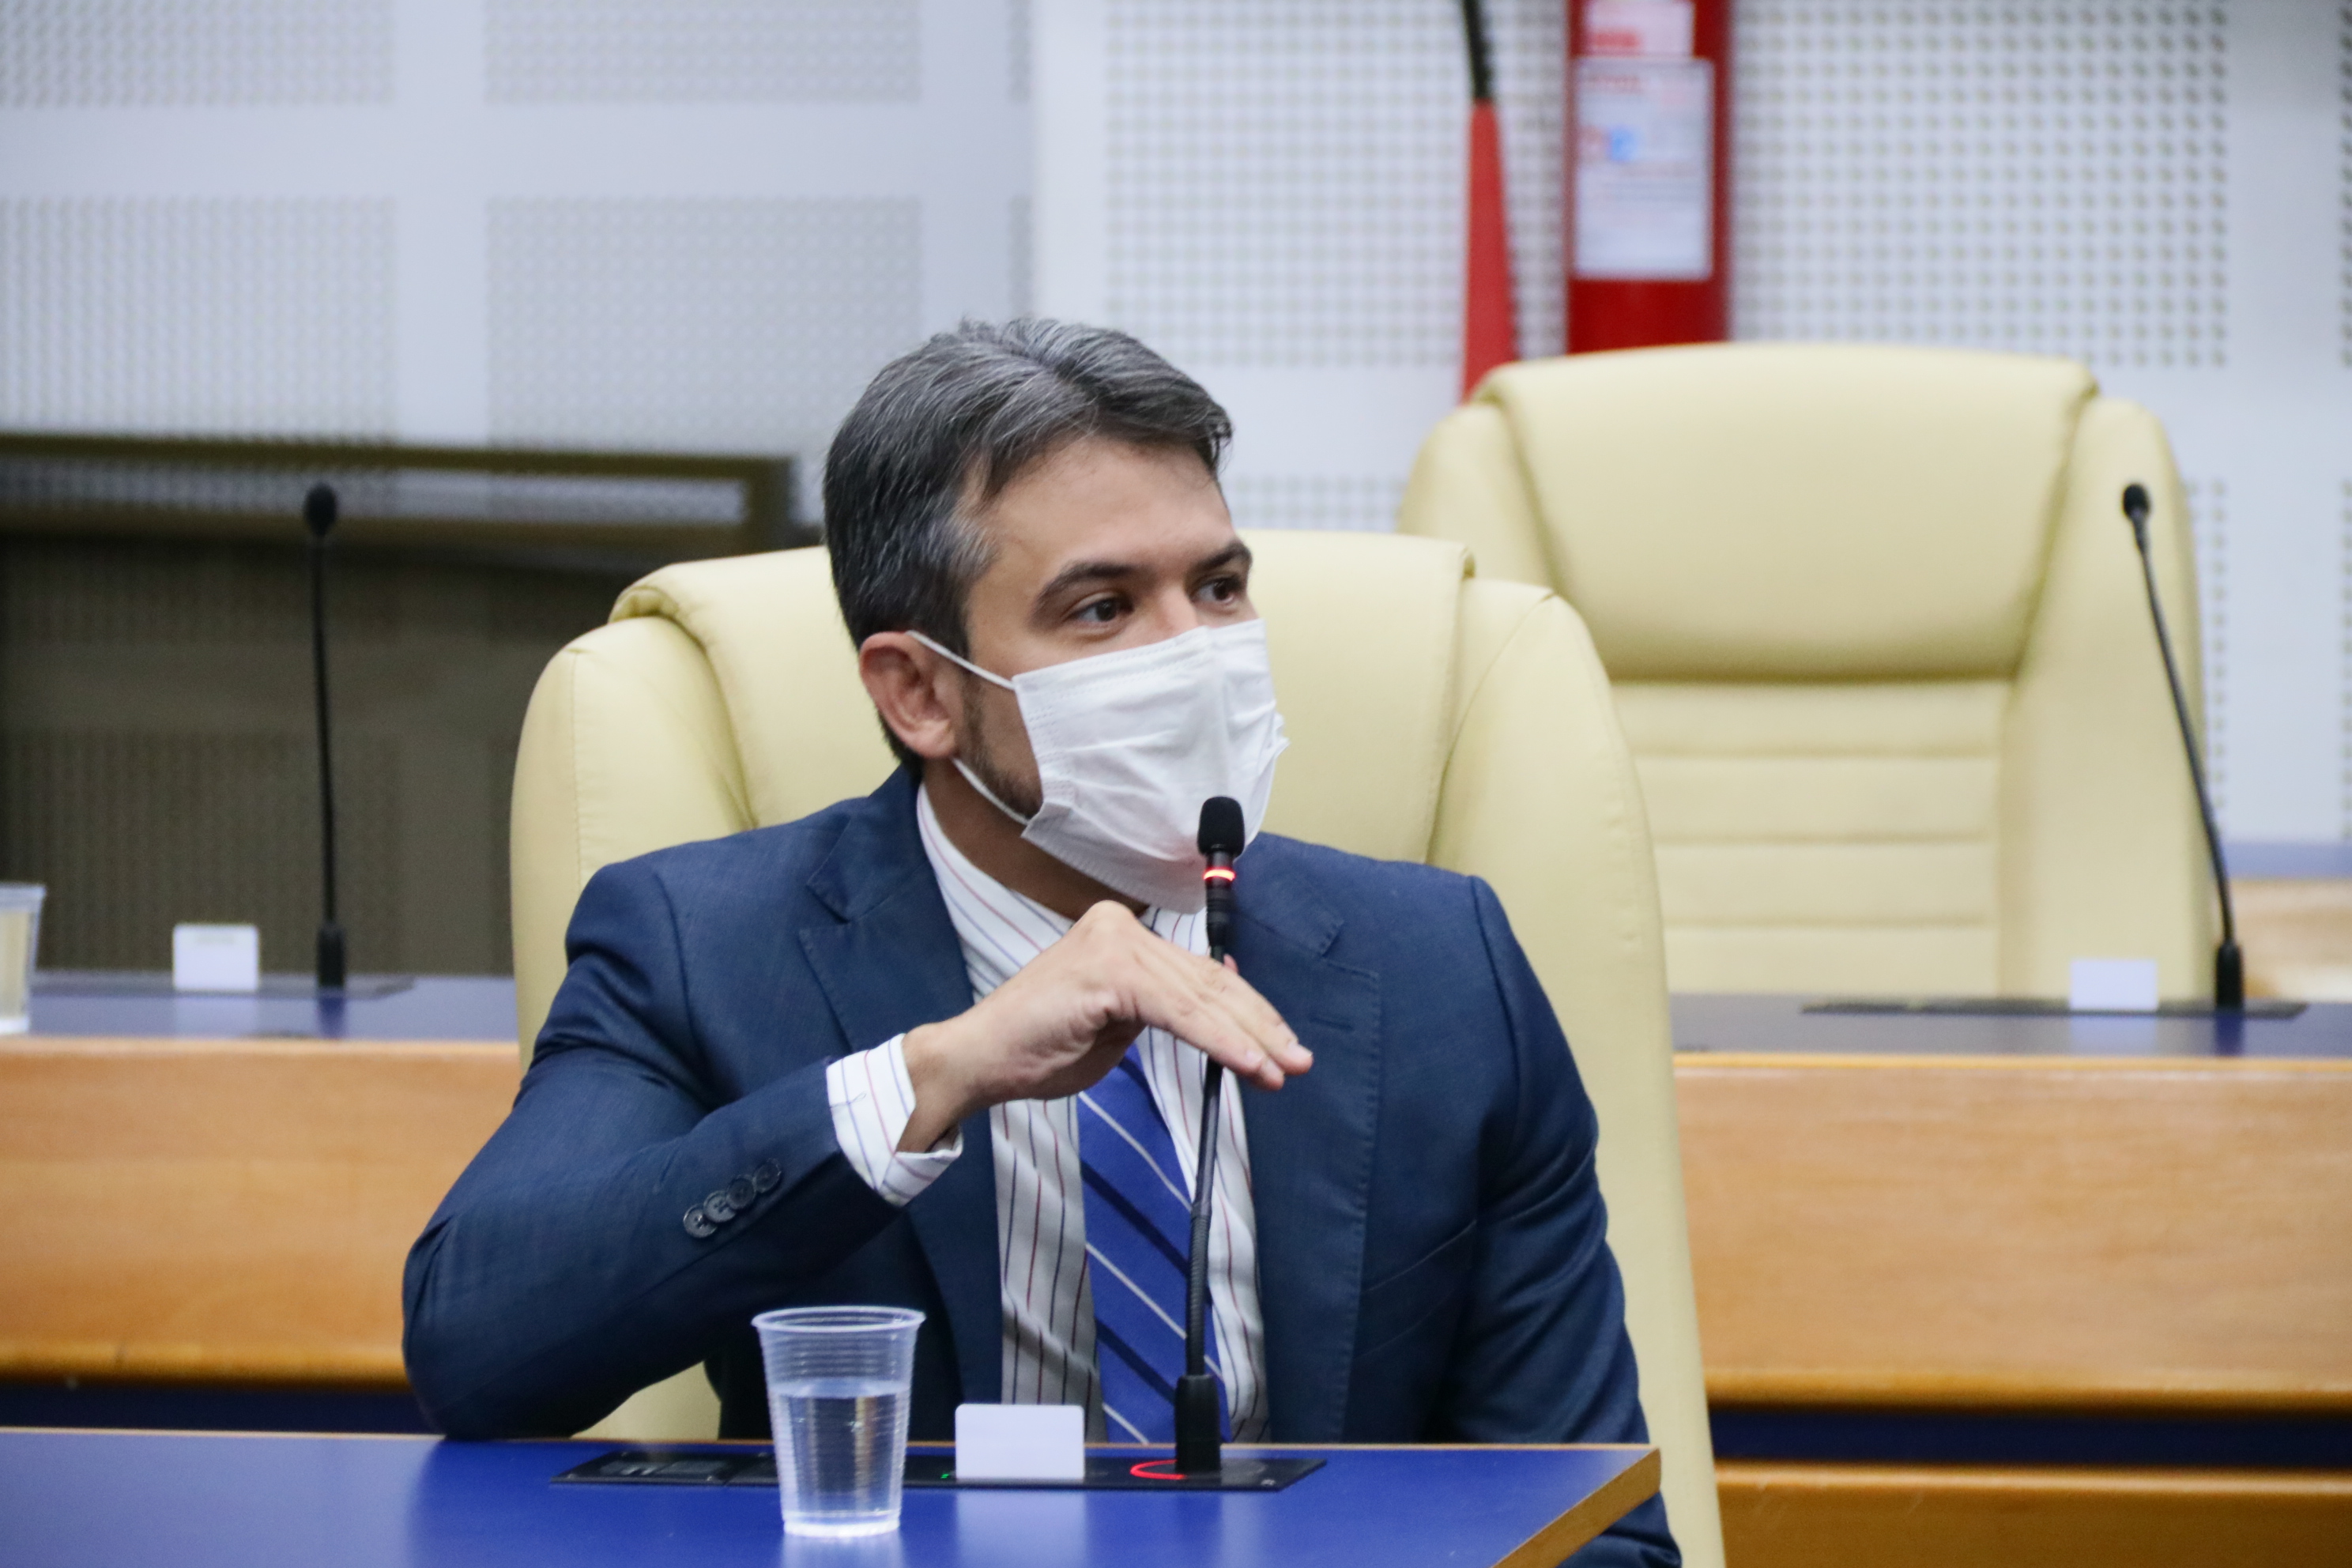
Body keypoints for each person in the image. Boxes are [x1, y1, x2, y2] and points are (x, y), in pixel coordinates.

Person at [403, 319, 1677, 1566]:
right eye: (1103, 609)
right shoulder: (705, 947)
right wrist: (929, 1078)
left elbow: (1594, 1525)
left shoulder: (1442, 969)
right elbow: (480, 1346)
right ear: (920, 693)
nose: (1196, 655)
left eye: (1219, 587)